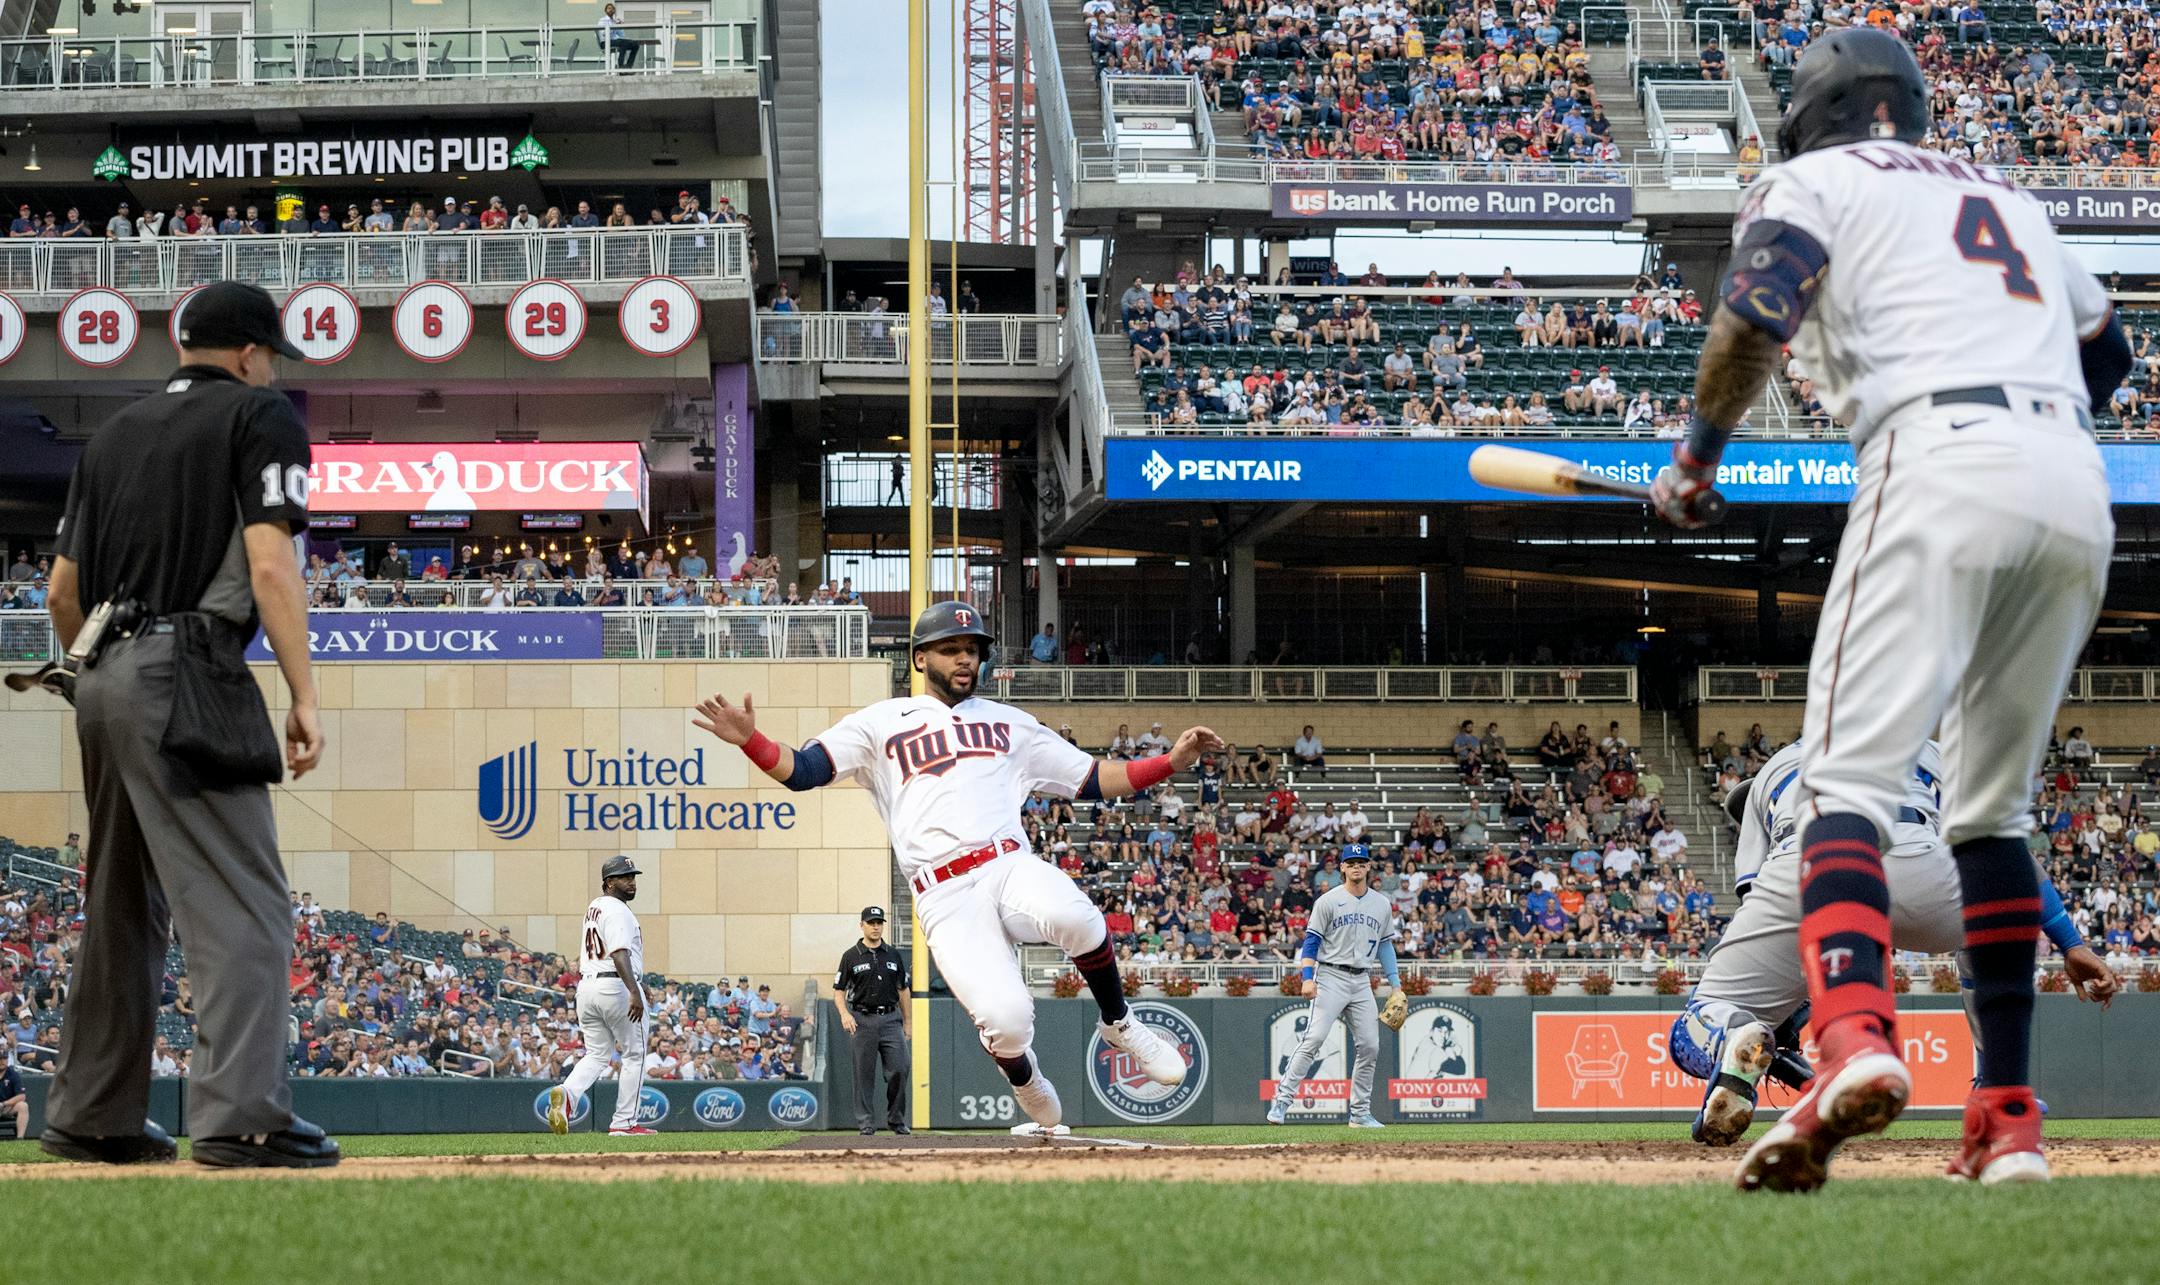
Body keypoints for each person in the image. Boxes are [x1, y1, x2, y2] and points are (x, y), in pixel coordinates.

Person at [1651, 28, 2123, 1193]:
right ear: (1910, 109)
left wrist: (1699, 460)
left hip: (1937, 455)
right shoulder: (2005, 190)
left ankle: (1854, 1039)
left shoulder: (1811, 179)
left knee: (1846, 789)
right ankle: (2007, 1118)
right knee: (1991, 818)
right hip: (2072, 481)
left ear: (1812, 116)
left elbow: (1755, 309)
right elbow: (2108, 360)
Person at [692, 602, 1206, 1135]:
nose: (966, 659)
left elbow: (1094, 779)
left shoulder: (1009, 722)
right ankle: (1024, 1078)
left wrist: (1171, 763)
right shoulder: (881, 722)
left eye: (973, 650)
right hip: (944, 894)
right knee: (1007, 1024)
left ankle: (1119, 1022)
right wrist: (751, 740)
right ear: (919, 657)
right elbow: (803, 770)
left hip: (1007, 862)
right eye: (951, 648)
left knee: (1077, 916)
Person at [39, 281, 338, 1169]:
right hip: (186, 667)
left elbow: (60, 591)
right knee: (248, 900)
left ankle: (93, 1114)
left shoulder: (115, 433)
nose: (272, 368)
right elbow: (270, 561)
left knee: (119, 904)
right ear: (249, 353)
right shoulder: (260, 413)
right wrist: (304, 694)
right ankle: (243, 1116)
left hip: (97, 670)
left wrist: (103, 679)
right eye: (271, 355)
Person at [1673, 739, 2116, 1147]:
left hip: (1804, 863)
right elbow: (2005, 850)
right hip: (1917, 856)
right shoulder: (1928, 747)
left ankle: (1730, 1034)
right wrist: (2069, 941)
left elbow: (1754, 892)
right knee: (1991, 921)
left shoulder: (1771, 773)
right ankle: (1997, 1085)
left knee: (1696, 1024)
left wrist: (1780, 1006)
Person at [1266, 848, 1400, 1128]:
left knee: (1370, 1047)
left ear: (1368, 867)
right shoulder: (1328, 901)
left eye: (1361, 863)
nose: (1356, 868)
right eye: (1350, 863)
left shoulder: (1381, 904)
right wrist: (1306, 976)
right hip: (1330, 976)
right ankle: (1281, 1101)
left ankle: (1360, 1113)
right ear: (1342, 867)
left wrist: (1396, 985)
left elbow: (1386, 945)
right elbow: (1311, 942)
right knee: (1313, 1039)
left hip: (1362, 979)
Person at [545, 855, 655, 1138]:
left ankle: (567, 1094)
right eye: (624, 877)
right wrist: (634, 990)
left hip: (588, 988)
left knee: (597, 1054)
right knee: (635, 1054)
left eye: (633, 876)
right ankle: (624, 1123)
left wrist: (638, 982)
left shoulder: (594, 906)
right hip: (615, 987)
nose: (631, 882)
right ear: (609, 882)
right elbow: (619, 953)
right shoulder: (619, 911)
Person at [835, 905, 911, 1136]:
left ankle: (896, 1120)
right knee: (863, 1074)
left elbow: (903, 990)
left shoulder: (893, 954)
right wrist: (845, 1014)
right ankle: (866, 1122)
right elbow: (838, 991)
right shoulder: (851, 956)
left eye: (879, 923)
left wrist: (908, 1021)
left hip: (890, 1018)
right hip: (862, 1018)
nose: (876, 927)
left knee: (900, 1067)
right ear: (862, 925)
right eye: (871, 923)